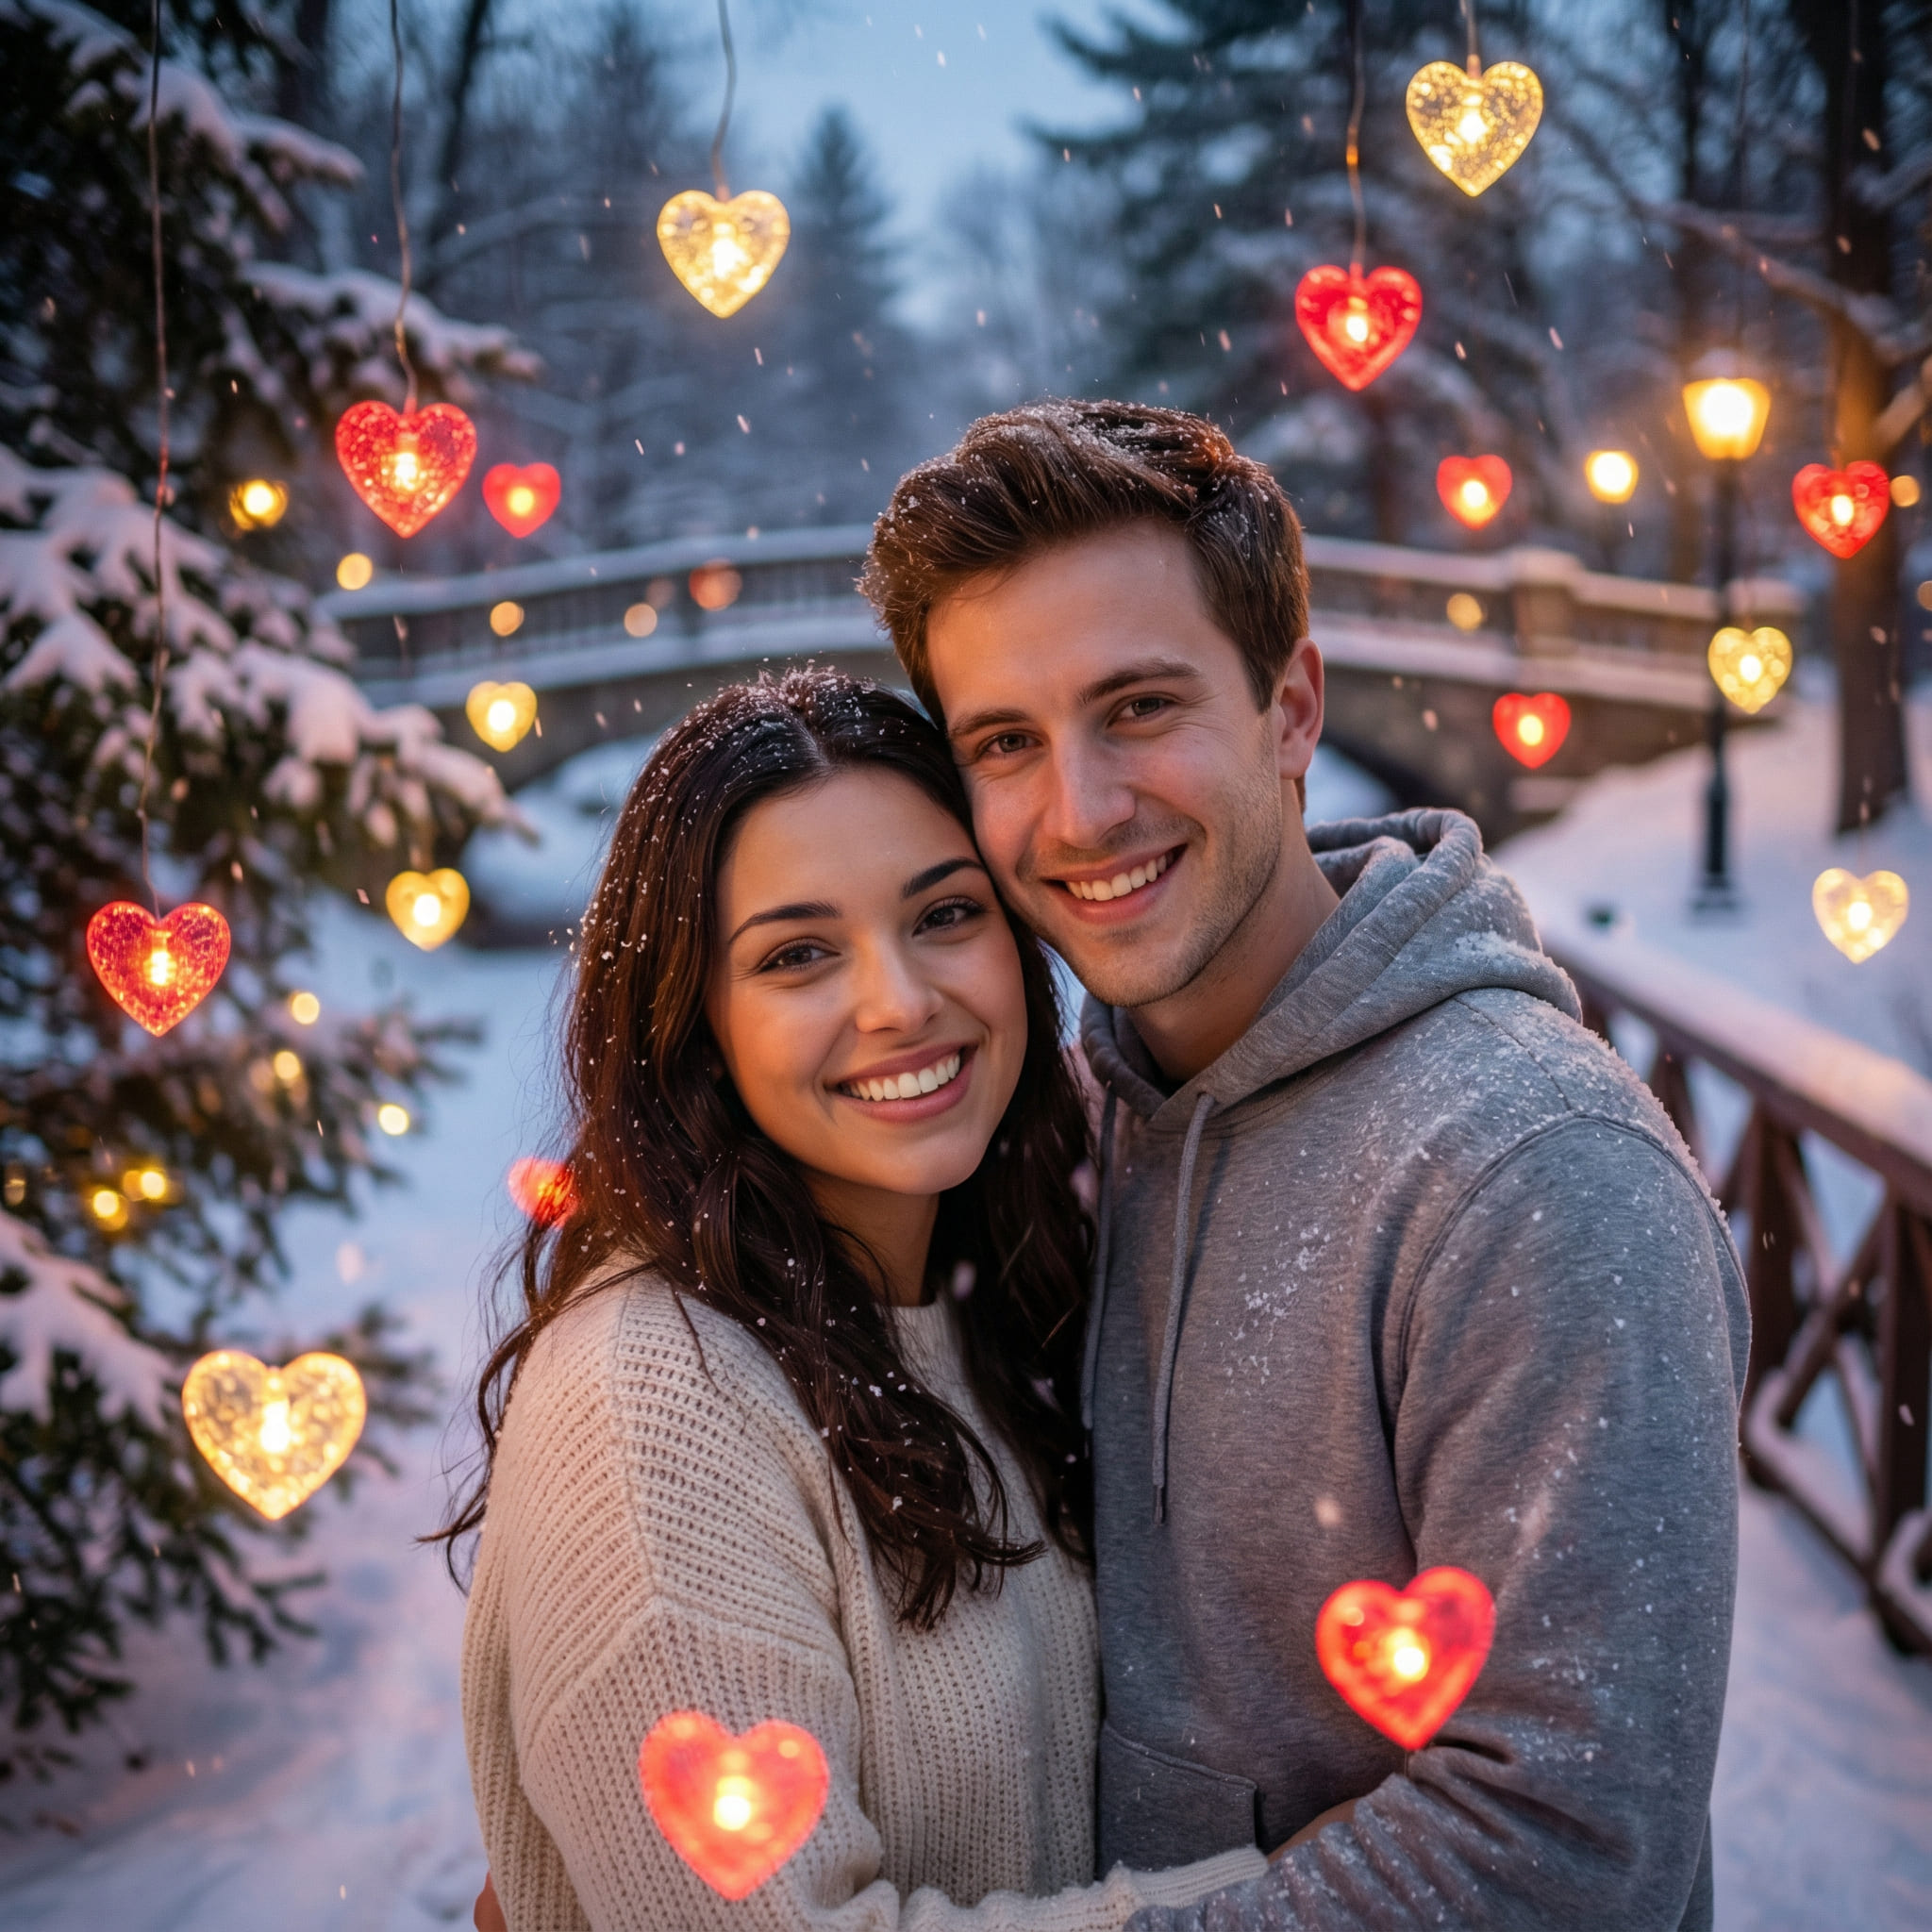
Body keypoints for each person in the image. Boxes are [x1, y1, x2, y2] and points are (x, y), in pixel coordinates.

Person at [860, 401, 1750, 1931]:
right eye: (1006, 742)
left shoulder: (1537, 1174)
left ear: (1292, 708)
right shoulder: (1078, 1120)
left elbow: (1562, 1842)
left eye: (1140, 707)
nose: (1079, 812)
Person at [452, 669, 1268, 1931]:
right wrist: (1314, 1900)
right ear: (696, 1023)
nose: (897, 1002)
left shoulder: (1001, 1300)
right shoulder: (655, 1401)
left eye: (945, 915)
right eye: (798, 954)